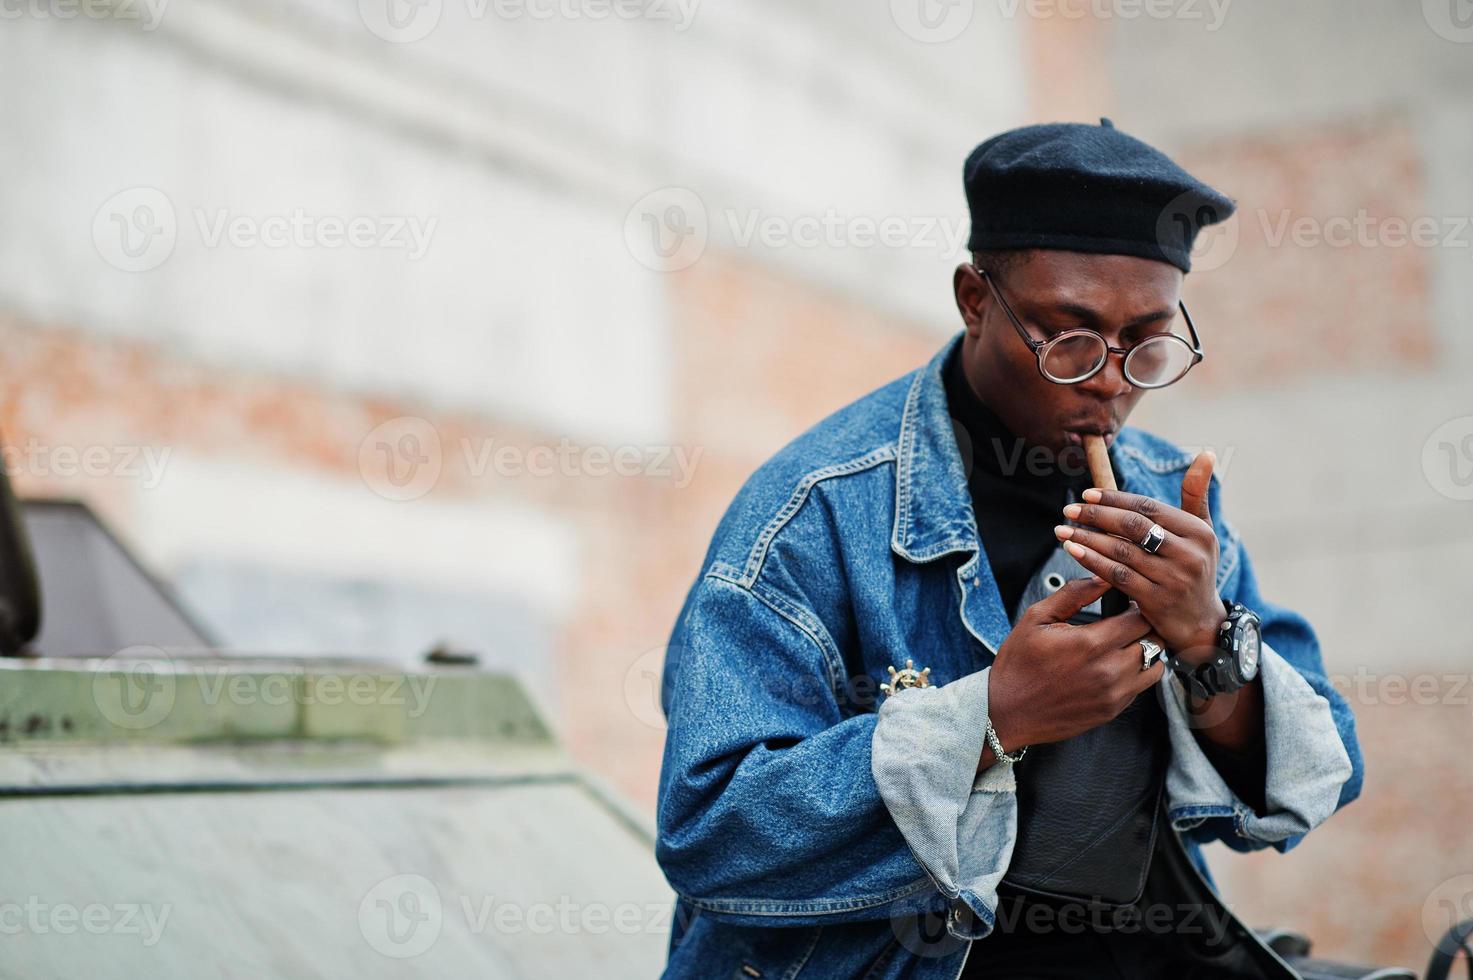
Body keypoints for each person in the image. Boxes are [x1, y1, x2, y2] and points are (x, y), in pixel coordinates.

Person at [654, 118, 1362, 979]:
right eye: (1067, 334)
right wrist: (991, 716)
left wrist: (1206, 642)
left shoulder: (1174, 498)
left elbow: (1322, 778)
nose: (1107, 377)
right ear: (974, 298)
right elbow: (711, 834)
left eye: (1146, 343)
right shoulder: (815, 511)